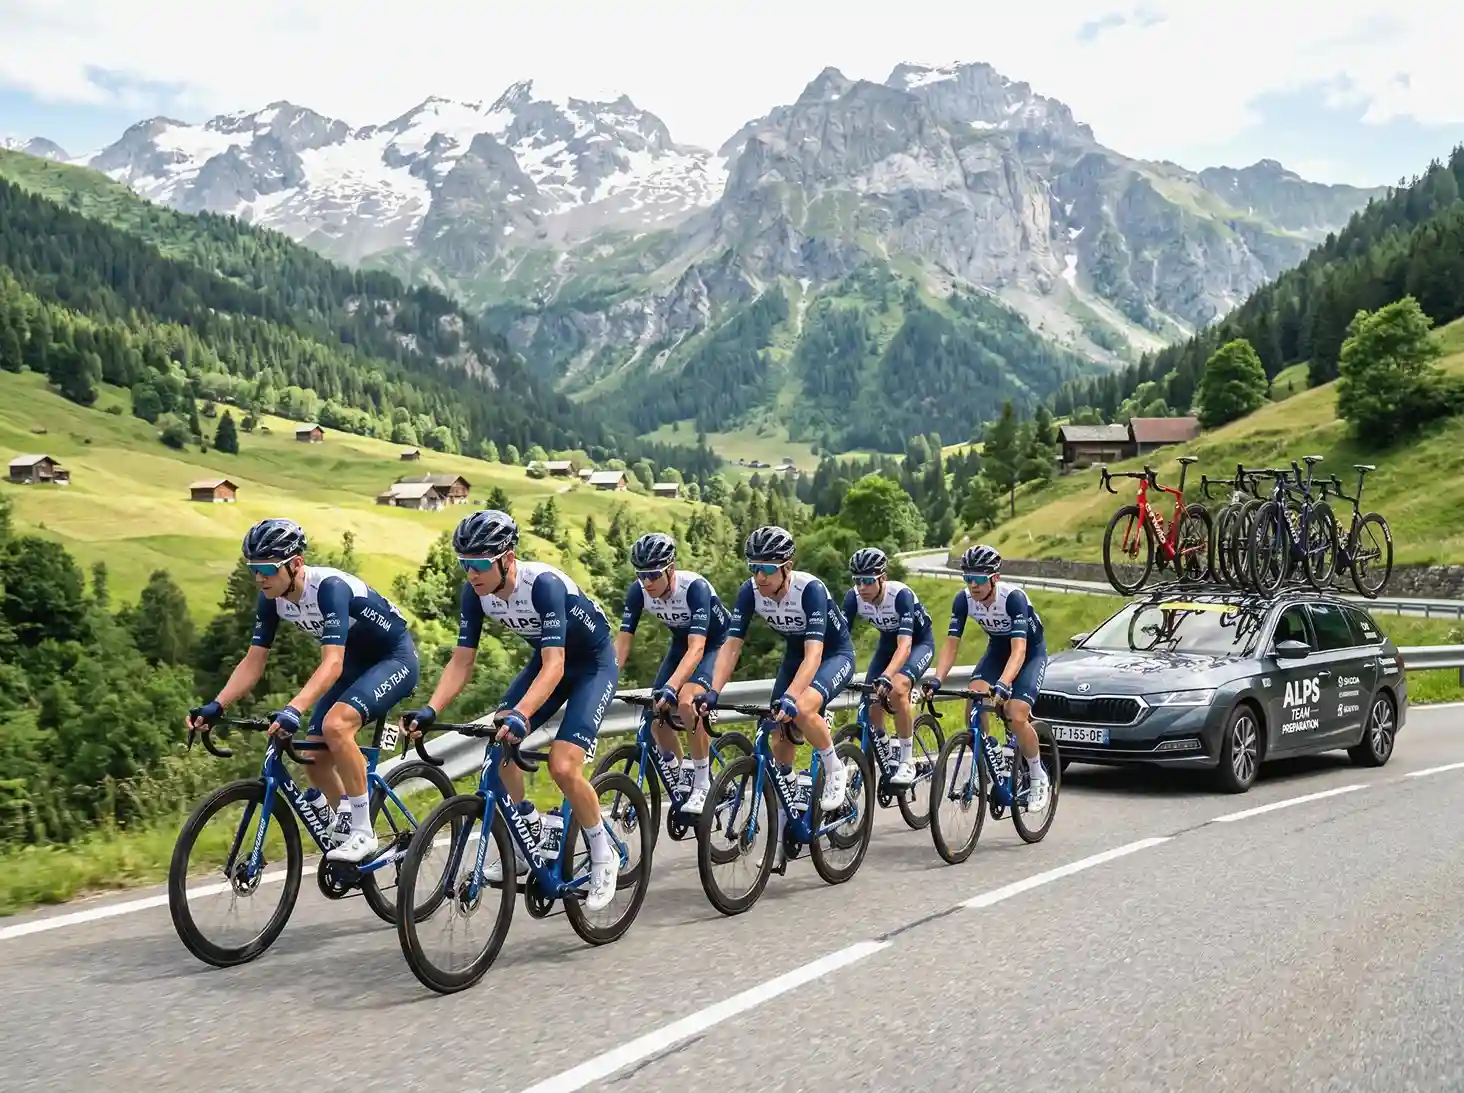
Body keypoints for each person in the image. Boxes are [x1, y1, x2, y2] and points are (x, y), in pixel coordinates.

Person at [399, 509, 621, 912]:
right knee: (499, 739)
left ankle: (603, 854)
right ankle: (524, 833)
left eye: (481, 564)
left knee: (563, 766)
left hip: (591, 665)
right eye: (465, 564)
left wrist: (523, 714)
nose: (472, 573)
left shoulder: (544, 586)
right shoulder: (475, 593)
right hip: (549, 662)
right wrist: (431, 708)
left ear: (508, 558)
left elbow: (555, 665)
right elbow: (462, 660)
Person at [185, 518, 420, 863]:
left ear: (296, 563)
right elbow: (254, 661)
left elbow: (332, 663)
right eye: (254, 569)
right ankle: (347, 828)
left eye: (267, 569)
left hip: (393, 658)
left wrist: (293, 709)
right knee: (314, 756)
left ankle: (363, 832)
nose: (259, 578)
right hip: (354, 662)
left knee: (336, 726)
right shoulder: (272, 598)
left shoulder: (329, 589)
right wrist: (217, 705)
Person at [694, 525, 856, 814]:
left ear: (787, 567)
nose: (760, 576)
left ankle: (835, 769)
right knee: (778, 732)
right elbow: (731, 647)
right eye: (754, 567)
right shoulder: (750, 591)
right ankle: (789, 792)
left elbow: (814, 654)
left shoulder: (810, 590)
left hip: (833, 655)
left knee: (802, 709)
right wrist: (713, 690)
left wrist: (792, 696)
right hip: (795, 656)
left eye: (767, 568)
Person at [924, 544, 1051, 811]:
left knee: (1016, 714)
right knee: (974, 701)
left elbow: (1019, 651)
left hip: (1029, 653)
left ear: (995, 578)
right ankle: (992, 752)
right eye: (968, 577)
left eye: (979, 579)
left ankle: (1038, 775)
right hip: (997, 650)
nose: (973, 584)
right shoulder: (963, 600)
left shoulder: (1013, 599)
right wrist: (937, 679)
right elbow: (951, 645)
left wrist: (1004, 684)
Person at [614, 532, 729, 815]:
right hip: (681, 643)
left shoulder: (694, 589)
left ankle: (702, 783)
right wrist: (604, 684)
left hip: (715, 644)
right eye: (641, 575)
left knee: (687, 701)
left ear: (671, 569)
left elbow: (698, 648)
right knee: (657, 717)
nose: (647, 582)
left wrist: (673, 686)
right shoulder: (638, 591)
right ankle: (681, 779)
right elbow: (622, 643)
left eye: (653, 575)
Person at [841, 547, 935, 786]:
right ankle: (885, 748)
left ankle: (906, 760)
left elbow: (905, 645)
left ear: (882, 578)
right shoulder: (853, 598)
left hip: (918, 644)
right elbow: (839, 639)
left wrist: (887, 675)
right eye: (857, 581)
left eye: (868, 581)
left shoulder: (900, 595)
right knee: (871, 701)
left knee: (897, 688)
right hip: (887, 645)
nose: (862, 587)